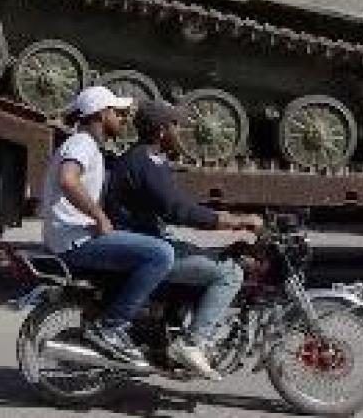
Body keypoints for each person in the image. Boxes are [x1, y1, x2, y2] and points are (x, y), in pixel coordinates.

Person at [104, 99, 264, 381]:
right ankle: (193, 343)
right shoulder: (144, 163)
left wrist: (227, 217)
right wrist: (237, 221)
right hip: (144, 247)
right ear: (162, 131)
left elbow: (177, 204)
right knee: (229, 272)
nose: (181, 132)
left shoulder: (147, 159)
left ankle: (174, 327)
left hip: (148, 239)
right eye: (176, 125)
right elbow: (179, 211)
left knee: (212, 256)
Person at [41, 85, 175, 372]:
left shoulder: (90, 146)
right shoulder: (82, 143)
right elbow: (68, 180)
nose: (124, 119)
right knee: (161, 255)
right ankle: (111, 327)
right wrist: (99, 216)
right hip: (76, 241)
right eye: (118, 112)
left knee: (152, 241)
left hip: (75, 236)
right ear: (101, 114)